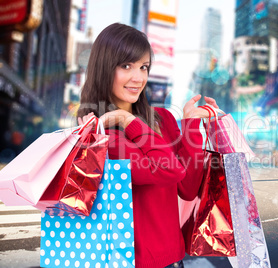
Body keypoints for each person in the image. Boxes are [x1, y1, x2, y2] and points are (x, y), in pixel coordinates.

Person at [77, 23, 219, 268]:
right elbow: (168, 170)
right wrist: (128, 120)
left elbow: (187, 188)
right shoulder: (101, 138)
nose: (138, 77)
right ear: (104, 68)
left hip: (174, 259)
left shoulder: (162, 119)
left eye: (143, 67)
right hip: (130, 262)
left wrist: (191, 125)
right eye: (126, 66)